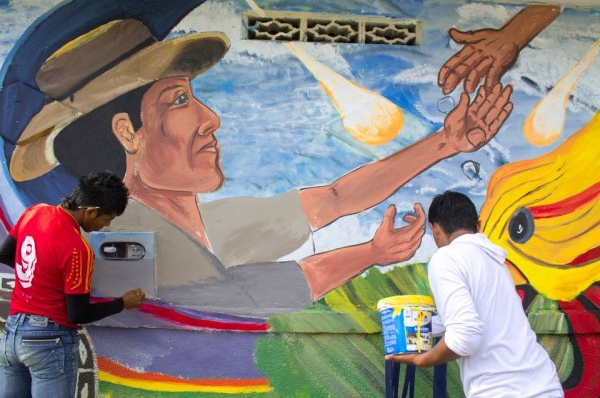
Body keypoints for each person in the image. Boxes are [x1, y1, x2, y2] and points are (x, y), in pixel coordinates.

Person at [8, 20, 513, 316]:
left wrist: (444, 142)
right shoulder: (135, 232)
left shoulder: (210, 223)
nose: (211, 118)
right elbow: (248, 292)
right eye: (180, 100)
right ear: (127, 133)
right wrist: (369, 253)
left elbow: (335, 199)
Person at [385, 191, 563, 398]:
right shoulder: (496, 262)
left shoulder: (446, 258)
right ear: (478, 226)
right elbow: (472, 317)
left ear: (434, 229)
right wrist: (416, 325)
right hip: (543, 385)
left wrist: (424, 360)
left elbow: (465, 334)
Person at [0, 171, 145, 398]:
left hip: (12, 334)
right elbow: (78, 313)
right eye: (107, 219)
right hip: (48, 342)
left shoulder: (34, 212)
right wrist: (122, 303)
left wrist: (38, 277)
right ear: (91, 211)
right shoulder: (78, 248)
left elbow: (5, 254)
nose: (105, 226)